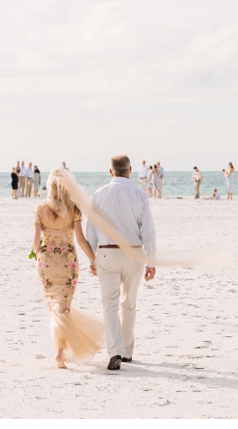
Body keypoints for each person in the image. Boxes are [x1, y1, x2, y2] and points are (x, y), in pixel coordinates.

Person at [85, 154, 156, 370]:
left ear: (111, 171)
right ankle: (126, 351)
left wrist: (92, 258)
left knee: (109, 304)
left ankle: (115, 351)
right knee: (129, 302)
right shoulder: (139, 194)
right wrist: (151, 260)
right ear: (130, 170)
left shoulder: (99, 194)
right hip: (134, 254)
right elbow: (149, 230)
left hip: (106, 252)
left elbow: (91, 229)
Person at [33, 169, 103, 368]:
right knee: (63, 306)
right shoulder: (73, 209)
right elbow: (80, 240)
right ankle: (60, 353)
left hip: (46, 263)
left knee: (54, 306)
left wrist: (40, 259)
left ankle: (60, 352)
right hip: (68, 262)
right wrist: (93, 260)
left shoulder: (39, 208)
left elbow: (36, 243)